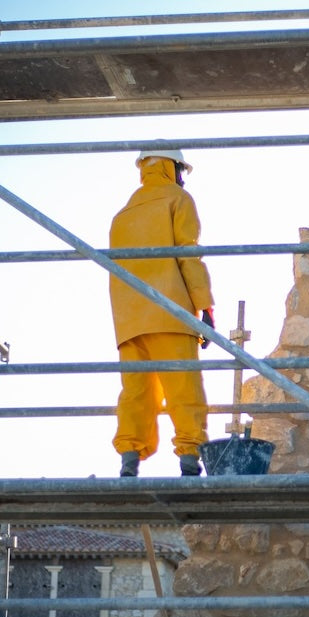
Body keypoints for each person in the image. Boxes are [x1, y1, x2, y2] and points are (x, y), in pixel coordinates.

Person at [109, 145, 214, 477]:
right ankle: (189, 459)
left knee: (136, 393)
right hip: (170, 311)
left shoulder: (123, 214)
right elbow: (187, 254)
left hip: (129, 320)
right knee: (183, 390)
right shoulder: (178, 199)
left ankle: (129, 460)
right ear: (173, 168)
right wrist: (204, 306)